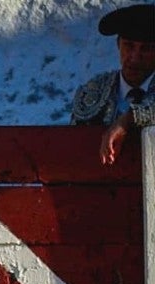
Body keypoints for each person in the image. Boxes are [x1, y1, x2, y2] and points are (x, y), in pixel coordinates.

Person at [73, 4, 155, 164]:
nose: (134, 57)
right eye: (128, 45)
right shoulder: (94, 90)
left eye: (146, 49)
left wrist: (127, 120)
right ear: (118, 45)